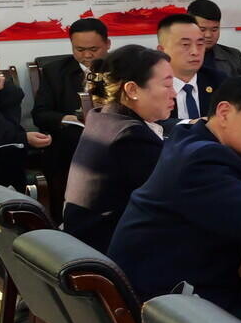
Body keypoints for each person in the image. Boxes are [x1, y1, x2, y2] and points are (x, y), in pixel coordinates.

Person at [110, 76, 241, 313]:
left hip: (174, 292)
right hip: (172, 309)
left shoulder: (192, 138)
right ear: (224, 112)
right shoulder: (201, 162)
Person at [62, 45, 175, 251]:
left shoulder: (102, 117)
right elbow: (172, 198)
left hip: (85, 245)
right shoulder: (130, 136)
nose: (174, 93)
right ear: (132, 90)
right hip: (111, 253)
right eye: (167, 85)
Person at [32, 17, 110, 215]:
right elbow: (40, 114)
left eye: (94, 49)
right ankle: (65, 217)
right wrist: (69, 119)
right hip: (71, 143)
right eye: (79, 49)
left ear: (108, 44)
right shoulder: (55, 71)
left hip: (113, 138)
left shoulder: (123, 69)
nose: (87, 55)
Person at [157, 13, 222, 125]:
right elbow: (151, 124)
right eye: (185, 44)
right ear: (162, 51)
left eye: (200, 44)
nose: (195, 52)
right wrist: (191, 123)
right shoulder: (150, 86)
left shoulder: (219, 80)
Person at [187, 0, 241, 76]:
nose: (208, 35)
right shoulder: (176, 56)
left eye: (214, 29)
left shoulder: (234, 56)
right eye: (202, 29)